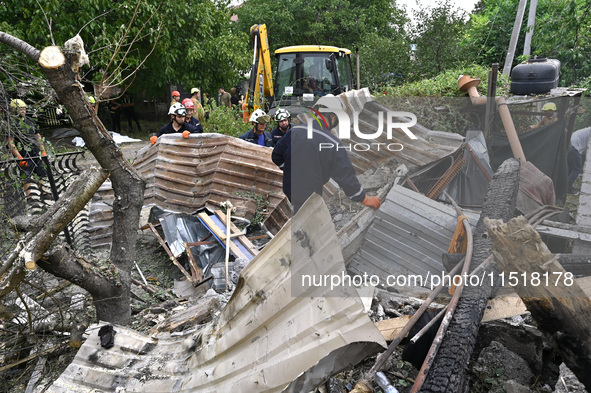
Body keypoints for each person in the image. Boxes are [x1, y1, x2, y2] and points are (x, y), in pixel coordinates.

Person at [272, 95, 381, 213]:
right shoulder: (332, 143)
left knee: (299, 213)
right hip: (310, 195)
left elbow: (276, 156)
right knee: (309, 222)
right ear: (333, 117)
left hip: (290, 190)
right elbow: (345, 175)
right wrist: (364, 199)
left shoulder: (294, 131)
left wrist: (290, 169)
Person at [7, 99, 48, 197]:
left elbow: (38, 136)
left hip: (35, 151)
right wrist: (19, 157)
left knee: (39, 172)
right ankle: (29, 197)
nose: (23, 111)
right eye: (20, 109)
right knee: (26, 175)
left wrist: (43, 151)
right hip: (23, 153)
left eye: (24, 109)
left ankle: (43, 192)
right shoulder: (11, 124)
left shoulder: (30, 121)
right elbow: (10, 142)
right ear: (14, 110)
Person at [567, 126, 591, 195]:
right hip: (574, 147)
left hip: (570, 145)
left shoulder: (587, 130)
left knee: (571, 169)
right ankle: (568, 188)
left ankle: (564, 187)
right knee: (577, 168)